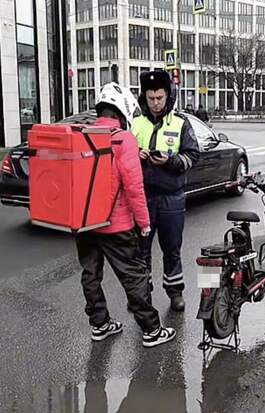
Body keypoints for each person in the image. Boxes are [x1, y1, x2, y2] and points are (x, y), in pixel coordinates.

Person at [75, 82, 176, 347]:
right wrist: (144, 223)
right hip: (116, 225)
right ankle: (151, 330)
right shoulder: (123, 139)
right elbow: (134, 187)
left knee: (90, 275)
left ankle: (99, 324)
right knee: (134, 277)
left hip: (85, 223)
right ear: (122, 112)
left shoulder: (82, 135)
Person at [131, 70, 200, 312]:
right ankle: (142, 295)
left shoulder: (180, 123)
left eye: (159, 97)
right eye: (151, 98)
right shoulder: (135, 123)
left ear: (168, 95)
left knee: (172, 249)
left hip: (172, 198)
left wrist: (170, 161)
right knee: (141, 251)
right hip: (143, 198)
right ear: (144, 97)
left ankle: (175, 293)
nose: (155, 103)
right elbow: (122, 156)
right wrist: (136, 155)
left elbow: (193, 155)